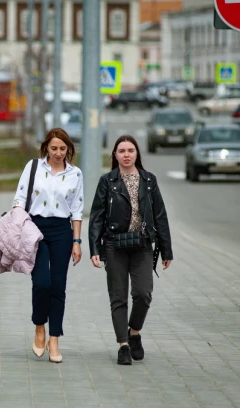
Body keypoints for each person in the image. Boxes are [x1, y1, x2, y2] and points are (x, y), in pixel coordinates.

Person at [88, 135, 173, 366]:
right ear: (114, 155)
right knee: (118, 297)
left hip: (143, 244)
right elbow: (96, 217)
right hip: (115, 245)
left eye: (130, 150)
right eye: (121, 150)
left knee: (143, 294)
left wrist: (166, 250)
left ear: (137, 154)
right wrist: (94, 248)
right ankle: (123, 345)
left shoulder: (148, 180)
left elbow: (160, 215)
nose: (126, 154)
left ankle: (134, 332)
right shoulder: (107, 181)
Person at [12, 128, 84, 363]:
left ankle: (54, 339)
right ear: (46, 147)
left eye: (63, 149)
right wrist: (17, 222)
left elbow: (76, 209)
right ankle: (39, 326)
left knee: (58, 286)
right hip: (36, 229)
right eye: (54, 148)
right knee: (42, 282)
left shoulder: (75, 174)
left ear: (68, 149)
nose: (58, 153)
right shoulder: (33, 167)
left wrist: (76, 241)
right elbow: (19, 199)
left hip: (62, 231)